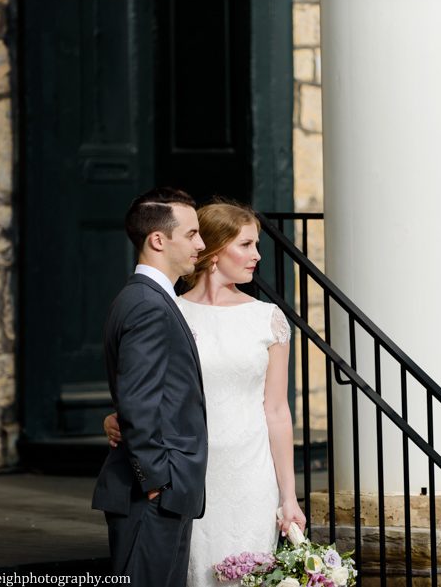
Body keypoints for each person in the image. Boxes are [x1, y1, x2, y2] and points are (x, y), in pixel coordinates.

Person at [104, 200, 306, 587]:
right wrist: (116, 418)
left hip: (250, 475)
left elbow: (277, 411)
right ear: (214, 250)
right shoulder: (169, 310)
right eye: (246, 245)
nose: (257, 256)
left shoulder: (267, 318)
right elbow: (141, 387)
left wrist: (288, 496)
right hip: (189, 474)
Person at [91, 187, 209, 587]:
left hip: (164, 490)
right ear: (158, 240)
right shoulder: (146, 304)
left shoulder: (150, 297)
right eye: (192, 234)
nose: (201, 244)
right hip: (152, 493)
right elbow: (138, 401)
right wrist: (156, 479)